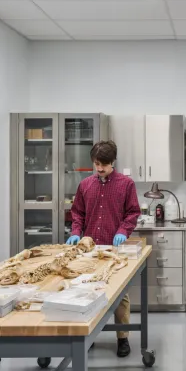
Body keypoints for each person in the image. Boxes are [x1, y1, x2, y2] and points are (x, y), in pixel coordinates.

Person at [66, 140, 140, 358]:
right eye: (96, 164)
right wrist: (75, 233)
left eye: (104, 165)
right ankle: (87, 334)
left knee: (119, 294)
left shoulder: (126, 184)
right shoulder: (86, 185)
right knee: (87, 290)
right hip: (89, 248)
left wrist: (123, 231)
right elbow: (77, 213)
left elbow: (133, 213)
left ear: (113, 162)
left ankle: (123, 338)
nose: (99, 169)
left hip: (114, 249)